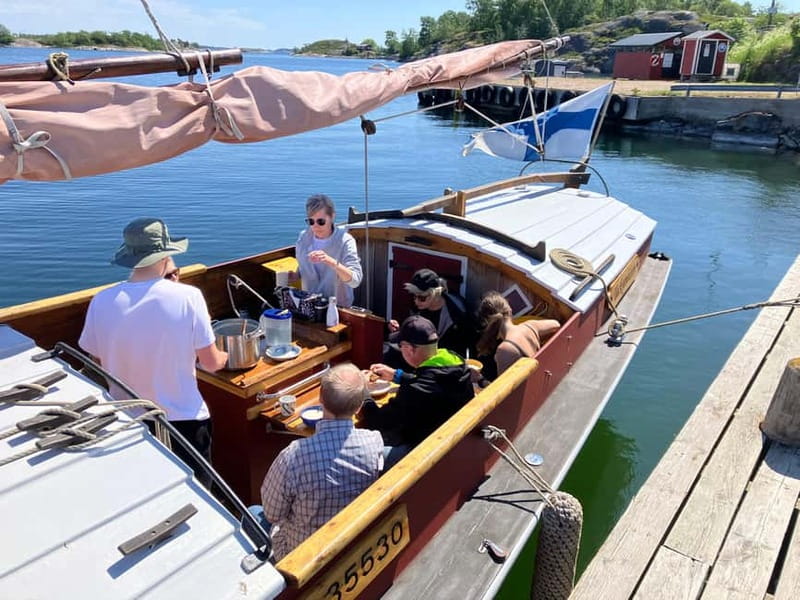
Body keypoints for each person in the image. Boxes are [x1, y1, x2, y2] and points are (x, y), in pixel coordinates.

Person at [79, 217, 228, 486]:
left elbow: (95, 361)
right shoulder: (188, 297)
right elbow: (212, 364)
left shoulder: (101, 301)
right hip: (184, 423)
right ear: (166, 256)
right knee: (197, 497)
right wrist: (226, 356)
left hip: (128, 422)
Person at [259, 363, 384, 561]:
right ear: (360, 406)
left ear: (320, 397)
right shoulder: (374, 442)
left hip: (301, 556)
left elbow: (272, 513)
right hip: (351, 541)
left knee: (253, 512)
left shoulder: (293, 456)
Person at [364, 315, 474, 467]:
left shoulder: (415, 391)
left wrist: (363, 395)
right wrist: (398, 376)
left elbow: (379, 421)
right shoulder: (456, 363)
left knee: (366, 455)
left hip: (428, 455)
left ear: (409, 349)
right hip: (456, 443)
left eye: (400, 346)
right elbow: (432, 382)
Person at [387, 268, 474, 359]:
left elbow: (460, 350)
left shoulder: (456, 315)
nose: (416, 301)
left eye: (422, 298)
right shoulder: (418, 305)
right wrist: (399, 328)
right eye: (414, 296)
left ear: (435, 294)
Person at [294, 193, 363, 308]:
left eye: (321, 221)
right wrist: (296, 275)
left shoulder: (345, 241)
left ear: (332, 217)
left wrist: (329, 261)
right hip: (310, 305)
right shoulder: (303, 238)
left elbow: (355, 280)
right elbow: (304, 266)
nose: (315, 226)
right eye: (311, 221)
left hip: (337, 308)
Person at [476, 291, 560, 378]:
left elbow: (505, 389)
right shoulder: (530, 326)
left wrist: (480, 380)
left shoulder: (505, 350)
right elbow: (556, 325)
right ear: (510, 311)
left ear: (487, 323)